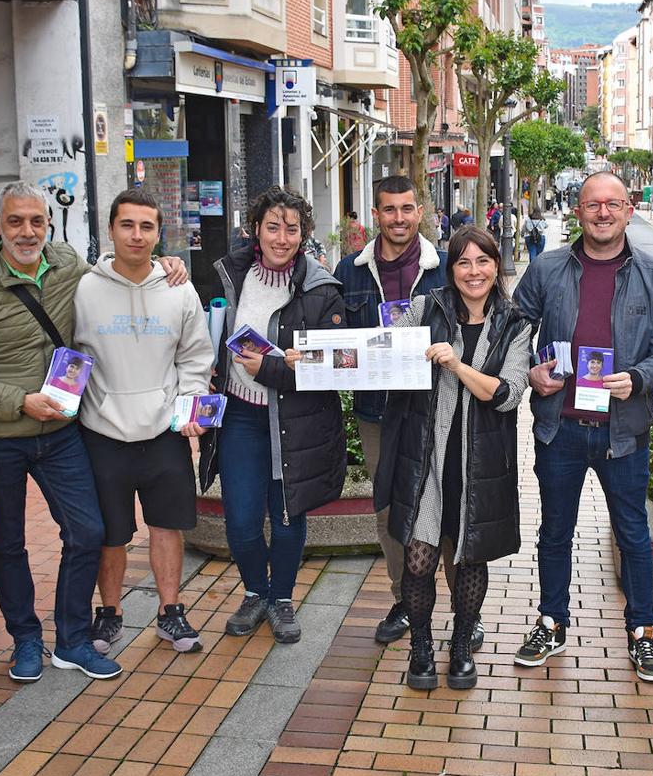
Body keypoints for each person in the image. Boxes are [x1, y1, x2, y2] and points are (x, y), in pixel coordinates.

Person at [0, 181, 188, 684]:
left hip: (60, 434)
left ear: (49, 224)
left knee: (88, 532)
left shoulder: (70, 266)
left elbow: (123, 269)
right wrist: (19, 401)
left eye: (36, 221)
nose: (27, 231)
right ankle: (26, 640)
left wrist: (167, 263)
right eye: (15, 222)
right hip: (0, 437)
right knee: (8, 542)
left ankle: (73, 640)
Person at [513, 171, 653, 681]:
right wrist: (530, 371)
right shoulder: (546, 268)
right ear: (577, 211)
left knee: (633, 533)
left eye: (613, 204)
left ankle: (642, 632)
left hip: (624, 430)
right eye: (592, 204)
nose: (602, 213)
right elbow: (516, 327)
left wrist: (639, 377)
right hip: (558, 427)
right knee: (555, 530)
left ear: (629, 210)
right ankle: (551, 622)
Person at [375, 227, 532, 690]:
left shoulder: (515, 323)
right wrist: (316, 358)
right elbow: (383, 351)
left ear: (496, 266)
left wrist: (456, 363)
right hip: (426, 457)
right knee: (419, 560)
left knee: (468, 560)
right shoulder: (427, 307)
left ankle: (462, 642)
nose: (473, 272)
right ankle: (420, 647)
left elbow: (506, 394)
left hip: (480, 462)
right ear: (451, 269)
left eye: (482, 261)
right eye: (463, 262)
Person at [334, 177, 482, 646]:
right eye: (388, 210)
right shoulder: (350, 271)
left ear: (420, 211)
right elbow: (337, 341)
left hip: (441, 409)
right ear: (374, 214)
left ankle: (465, 612)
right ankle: (404, 600)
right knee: (389, 510)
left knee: (451, 506)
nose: (398, 218)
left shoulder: (446, 269)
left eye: (406, 208)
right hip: (378, 412)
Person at [74, 189, 215, 656]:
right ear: (110, 230)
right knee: (110, 533)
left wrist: (190, 406)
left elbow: (195, 356)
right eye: (127, 225)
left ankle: (170, 612)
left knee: (167, 526)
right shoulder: (83, 288)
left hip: (163, 432)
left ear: (159, 234)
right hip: (101, 433)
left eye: (147, 227)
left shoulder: (179, 289)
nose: (136, 235)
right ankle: (109, 612)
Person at [209, 186, 347, 644]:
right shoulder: (230, 275)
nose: (282, 238)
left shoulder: (321, 289)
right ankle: (255, 592)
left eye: (292, 229)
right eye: (273, 227)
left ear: (304, 234)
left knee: (288, 515)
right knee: (242, 520)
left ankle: (282, 598)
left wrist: (270, 368)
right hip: (241, 419)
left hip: (295, 420)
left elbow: (331, 367)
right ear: (255, 230)